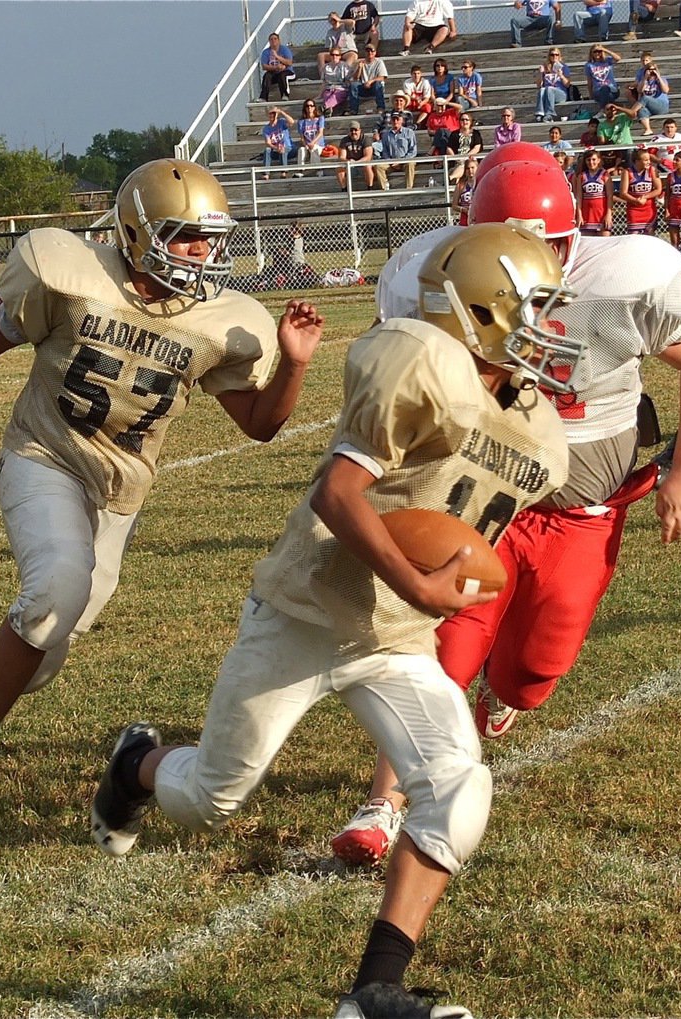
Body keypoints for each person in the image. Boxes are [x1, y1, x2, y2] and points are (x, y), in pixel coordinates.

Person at [89, 222, 577, 1019]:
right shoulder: (419, 359)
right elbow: (337, 494)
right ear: (478, 311)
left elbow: (465, 533)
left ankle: (375, 990)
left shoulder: (537, 427)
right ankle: (136, 763)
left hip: (393, 636)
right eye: (534, 309)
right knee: (215, 794)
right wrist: (421, 586)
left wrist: (431, 589)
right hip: (309, 609)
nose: (549, 331)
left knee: (457, 789)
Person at [0, 159, 323, 810]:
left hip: (119, 492)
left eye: (210, 238)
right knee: (55, 587)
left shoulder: (214, 320)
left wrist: (292, 363)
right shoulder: (74, 278)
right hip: (45, 455)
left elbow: (260, 425)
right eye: (186, 236)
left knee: (45, 644)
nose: (204, 252)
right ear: (138, 232)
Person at [334, 155, 681, 866]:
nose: (525, 270)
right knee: (441, 653)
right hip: (483, 497)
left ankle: (502, 699)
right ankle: (384, 802)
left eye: (547, 250)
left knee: (534, 670)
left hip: (584, 507)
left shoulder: (622, 281)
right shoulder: (434, 274)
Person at [621, 146, 664, 235]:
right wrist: (635, 200)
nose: (648, 162)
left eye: (649, 159)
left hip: (649, 209)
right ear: (637, 161)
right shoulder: (627, 172)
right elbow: (623, 193)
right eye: (645, 160)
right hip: (634, 210)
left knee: (650, 238)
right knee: (634, 238)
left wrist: (645, 196)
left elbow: (658, 189)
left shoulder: (652, 170)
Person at [374, 110, 419, 190]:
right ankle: (384, 189)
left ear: (401, 120)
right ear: (390, 120)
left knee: (410, 163)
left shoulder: (409, 132)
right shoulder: (385, 135)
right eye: (393, 119)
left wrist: (401, 161)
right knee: (379, 166)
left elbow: (412, 151)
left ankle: (409, 189)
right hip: (391, 162)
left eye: (397, 119)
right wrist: (390, 162)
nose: (395, 121)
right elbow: (385, 151)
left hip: (405, 161)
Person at [574, 146, 613, 236]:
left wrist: (608, 215)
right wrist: (579, 215)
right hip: (587, 215)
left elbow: (610, 196)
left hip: (601, 215)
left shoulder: (605, 175)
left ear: (599, 160)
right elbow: (579, 197)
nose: (591, 162)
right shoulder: (581, 176)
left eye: (594, 159)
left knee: (604, 244)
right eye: (588, 160)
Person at [633, 52, 671, 132]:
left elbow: (666, 90)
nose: (652, 72)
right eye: (649, 70)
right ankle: (648, 129)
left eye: (653, 70)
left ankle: (631, 112)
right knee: (642, 110)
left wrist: (658, 77)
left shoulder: (662, 80)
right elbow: (639, 90)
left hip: (662, 105)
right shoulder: (643, 81)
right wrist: (645, 78)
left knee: (645, 98)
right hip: (650, 107)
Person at [336, 121, 377, 190]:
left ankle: (370, 187)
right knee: (339, 168)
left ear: (360, 130)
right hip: (350, 163)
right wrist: (349, 161)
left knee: (368, 165)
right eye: (351, 130)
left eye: (356, 130)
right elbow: (341, 157)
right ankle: (344, 189)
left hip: (362, 162)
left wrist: (358, 162)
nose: (353, 132)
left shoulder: (366, 139)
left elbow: (368, 156)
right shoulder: (344, 140)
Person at [535, 47, 572, 123]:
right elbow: (539, 86)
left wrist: (561, 75)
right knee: (543, 89)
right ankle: (540, 113)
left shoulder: (563, 67)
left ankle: (549, 114)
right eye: (552, 55)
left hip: (561, 94)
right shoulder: (545, 67)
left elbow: (567, 85)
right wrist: (540, 73)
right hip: (547, 94)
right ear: (549, 56)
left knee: (549, 88)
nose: (554, 56)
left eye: (556, 55)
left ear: (559, 56)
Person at [350, 44, 388, 115]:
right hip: (363, 87)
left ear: (375, 52)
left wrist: (370, 81)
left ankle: (381, 108)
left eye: (372, 51)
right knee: (353, 85)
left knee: (378, 84)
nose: (370, 53)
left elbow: (382, 77)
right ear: (365, 53)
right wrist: (359, 68)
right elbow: (355, 78)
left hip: (375, 88)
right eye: (367, 51)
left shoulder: (379, 62)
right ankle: (353, 110)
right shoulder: (361, 62)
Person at [446, 110, 483, 179]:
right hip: (458, 159)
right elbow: (449, 148)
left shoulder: (475, 133)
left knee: (465, 164)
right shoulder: (454, 134)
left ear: (470, 121)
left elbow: (477, 147)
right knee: (461, 164)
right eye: (462, 120)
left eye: (467, 120)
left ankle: (451, 177)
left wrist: (466, 156)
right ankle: (454, 179)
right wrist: (455, 158)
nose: (464, 122)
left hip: (471, 158)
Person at [294, 100, 327, 176]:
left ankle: (319, 169)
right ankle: (300, 170)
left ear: (314, 107)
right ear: (305, 108)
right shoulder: (301, 121)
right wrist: (305, 145)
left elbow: (320, 133)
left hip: (318, 144)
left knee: (314, 148)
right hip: (307, 145)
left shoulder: (320, 118)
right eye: (307, 106)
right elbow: (302, 137)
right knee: (301, 149)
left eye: (311, 105)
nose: (309, 107)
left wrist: (313, 143)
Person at [260, 32, 295, 102]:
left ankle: (285, 95)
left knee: (282, 75)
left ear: (279, 40)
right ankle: (263, 97)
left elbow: (290, 62)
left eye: (275, 39)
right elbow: (264, 66)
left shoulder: (284, 49)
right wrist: (276, 68)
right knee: (267, 76)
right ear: (269, 42)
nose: (273, 41)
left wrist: (277, 56)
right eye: (271, 39)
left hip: (287, 72)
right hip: (274, 73)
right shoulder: (266, 52)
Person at [260, 107, 295, 176]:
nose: (272, 115)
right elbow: (268, 143)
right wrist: (276, 148)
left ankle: (284, 171)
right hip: (276, 150)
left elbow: (292, 122)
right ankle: (266, 173)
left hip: (288, 149)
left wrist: (281, 112)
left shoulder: (281, 122)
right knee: (267, 150)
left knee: (282, 148)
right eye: (270, 113)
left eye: (274, 113)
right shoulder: (266, 128)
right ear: (267, 115)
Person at [584, 43, 621, 107]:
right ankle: (611, 108)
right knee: (606, 92)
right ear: (591, 53)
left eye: (599, 51)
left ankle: (603, 109)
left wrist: (605, 50)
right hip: (598, 90)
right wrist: (591, 94)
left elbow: (618, 58)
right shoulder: (588, 65)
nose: (597, 53)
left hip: (612, 89)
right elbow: (589, 81)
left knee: (607, 91)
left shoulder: (607, 60)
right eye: (595, 51)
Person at [320, 47, 353, 115]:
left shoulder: (345, 66)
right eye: (332, 55)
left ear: (340, 56)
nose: (334, 56)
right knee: (326, 95)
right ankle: (328, 110)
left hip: (341, 88)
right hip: (329, 88)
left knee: (336, 95)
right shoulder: (326, 67)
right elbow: (324, 82)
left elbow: (349, 80)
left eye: (337, 55)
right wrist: (320, 94)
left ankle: (324, 107)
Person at [450, 156, 479, 223]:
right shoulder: (461, 185)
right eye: (467, 168)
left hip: (478, 216)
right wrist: (464, 209)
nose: (470, 171)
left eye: (472, 168)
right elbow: (454, 205)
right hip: (465, 217)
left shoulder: (481, 182)